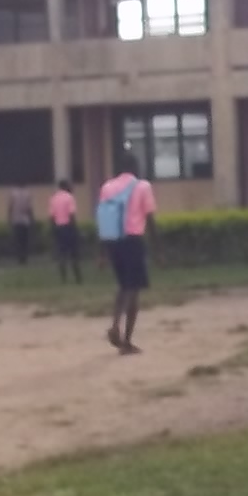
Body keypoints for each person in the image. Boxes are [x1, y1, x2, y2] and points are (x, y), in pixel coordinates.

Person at [97, 151, 157, 354]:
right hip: (133, 241)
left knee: (122, 286)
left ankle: (115, 324)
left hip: (114, 241)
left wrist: (103, 253)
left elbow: (104, 220)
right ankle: (126, 341)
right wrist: (158, 248)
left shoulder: (107, 187)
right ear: (135, 167)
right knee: (134, 289)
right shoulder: (142, 186)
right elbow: (150, 219)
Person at [49, 178, 81, 285]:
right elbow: (71, 215)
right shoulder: (69, 197)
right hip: (68, 227)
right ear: (66, 186)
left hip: (58, 228)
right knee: (74, 254)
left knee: (61, 254)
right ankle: (78, 278)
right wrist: (75, 229)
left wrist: (53, 230)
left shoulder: (54, 198)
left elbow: (52, 217)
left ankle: (64, 279)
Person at [7, 183, 35, 265]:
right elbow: (29, 208)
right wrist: (32, 219)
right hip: (25, 221)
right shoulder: (28, 193)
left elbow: (10, 207)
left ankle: (20, 258)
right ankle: (24, 258)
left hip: (16, 220)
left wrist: (9, 219)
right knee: (24, 241)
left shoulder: (13, 193)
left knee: (18, 240)